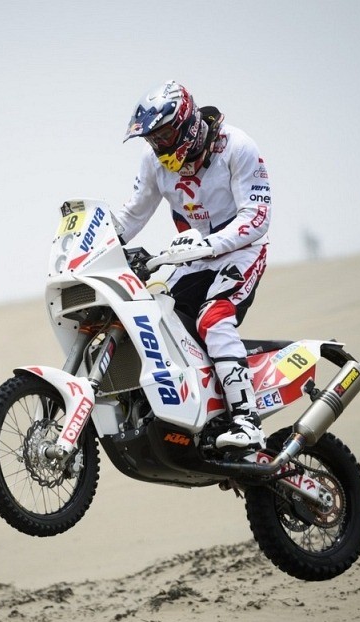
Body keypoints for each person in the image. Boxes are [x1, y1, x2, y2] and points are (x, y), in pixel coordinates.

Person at [114, 80, 271, 452]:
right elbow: (132, 216)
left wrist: (210, 243)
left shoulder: (237, 146)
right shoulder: (153, 161)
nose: (157, 145)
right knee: (160, 322)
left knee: (213, 318)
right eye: (151, 138)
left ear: (186, 124)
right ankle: (196, 413)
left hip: (241, 251)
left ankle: (246, 420)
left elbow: (257, 216)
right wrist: (96, 243)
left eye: (163, 135)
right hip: (192, 257)